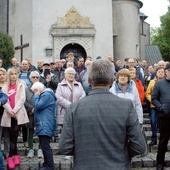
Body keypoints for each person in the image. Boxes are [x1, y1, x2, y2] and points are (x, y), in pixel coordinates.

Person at [59, 59, 146, 170]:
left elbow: (65, 148)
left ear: (89, 80)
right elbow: (139, 147)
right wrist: (120, 151)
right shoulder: (126, 106)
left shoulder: (74, 108)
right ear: (111, 80)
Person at [1, 67, 29, 169]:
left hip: (18, 114)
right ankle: (10, 157)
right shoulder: (5, 86)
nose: (13, 76)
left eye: (15, 74)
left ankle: (14, 155)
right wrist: (10, 110)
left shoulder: (21, 85)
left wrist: (15, 110)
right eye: (11, 74)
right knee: (9, 136)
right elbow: (3, 99)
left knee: (15, 136)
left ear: (18, 75)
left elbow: (22, 99)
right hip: (8, 114)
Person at [31, 82, 56, 170]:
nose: (34, 93)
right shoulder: (46, 95)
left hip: (45, 123)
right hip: (43, 123)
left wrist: (36, 95)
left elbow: (38, 106)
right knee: (43, 144)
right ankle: (46, 164)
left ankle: (49, 166)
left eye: (34, 91)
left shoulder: (46, 95)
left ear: (37, 89)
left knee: (45, 146)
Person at [152, 63, 170, 170]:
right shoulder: (159, 83)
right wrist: (161, 107)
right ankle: (160, 162)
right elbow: (154, 98)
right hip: (165, 117)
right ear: (166, 71)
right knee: (163, 141)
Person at [24, 71, 43, 158]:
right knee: (30, 131)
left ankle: (40, 149)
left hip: (40, 113)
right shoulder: (26, 89)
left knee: (40, 131)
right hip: (30, 113)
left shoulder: (43, 88)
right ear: (30, 79)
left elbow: (45, 99)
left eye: (37, 77)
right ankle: (31, 148)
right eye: (33, 77)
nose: (35, 78)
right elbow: (24, 101)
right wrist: (31, 108)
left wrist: (37, 108)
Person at [145, 67, 165, 147]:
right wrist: (153, 100)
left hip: (164, 106)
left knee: (163, 123)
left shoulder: (167, 82)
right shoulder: (152, 82)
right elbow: (147, 93)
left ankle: (163, 140)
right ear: (156, 73)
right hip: (154, 106)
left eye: (162, 72)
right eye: (159, 71)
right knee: (153, 121)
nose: (161, 73)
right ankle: (154, 138)